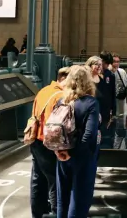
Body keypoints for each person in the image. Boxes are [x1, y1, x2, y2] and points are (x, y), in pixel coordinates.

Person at [54, 65, 100, 218]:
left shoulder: (61, 101)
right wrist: (74, 153)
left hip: (62, 156)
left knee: (63, 198)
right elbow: (89, 134)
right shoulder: (91, 103)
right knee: (79, 200)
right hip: (82, 158)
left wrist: (60, 151)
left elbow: (54, 129)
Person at [30, 66, 71, 218]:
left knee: (38, 180)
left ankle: (37, 214)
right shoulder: (60, 96)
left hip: (35, 140)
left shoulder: (43, 91)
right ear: (64, 79)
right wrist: (60, 149)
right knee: (56, 182)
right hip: (49, 144)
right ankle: (56, 213)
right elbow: (56, 126)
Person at [85, 56, 115, 126]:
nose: (99, 67)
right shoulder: (86, 80)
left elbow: (109, 95)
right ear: (90, 65)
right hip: (90, 113)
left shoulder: (103, 79)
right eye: (96, 64)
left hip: (104, 113)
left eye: (100, 64)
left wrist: (111, 111)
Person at [111, 53, 127, 118]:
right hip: (111, 106)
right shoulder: (107, 73)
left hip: (122, 105)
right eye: (114, 61)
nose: (116, 64)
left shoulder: (122, 72)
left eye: (118, 62)